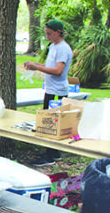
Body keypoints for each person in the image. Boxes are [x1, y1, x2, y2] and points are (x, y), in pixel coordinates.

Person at [23, 19, 73, 167]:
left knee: (51, 123)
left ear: (59, 33)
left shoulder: (63, 48)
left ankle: (50, 154)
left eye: (50, 34)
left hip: (57, 91)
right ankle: (54, 152)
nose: (47, 37)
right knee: (48, 120)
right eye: (46, 34)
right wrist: (35, 65)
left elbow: (58, 71)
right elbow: (50, 66)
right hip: (50, 90)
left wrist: (38, 68)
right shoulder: (53, 46)